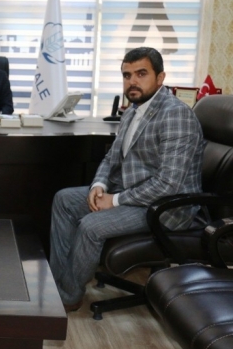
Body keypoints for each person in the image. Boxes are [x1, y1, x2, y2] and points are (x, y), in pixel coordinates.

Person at [49, 47, 205, 312]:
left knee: (91, 226)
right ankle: (57, 283)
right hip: (134, 193)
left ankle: (68, 296)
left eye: (141, 74)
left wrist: (114, 200)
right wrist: (99, 185)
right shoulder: (133, 110)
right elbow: (111, 158)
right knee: (64, 199)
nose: (132, 81)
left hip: (166, 206)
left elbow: (168, 184)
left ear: (160, 77)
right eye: (127, 75)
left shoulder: (175, 114)